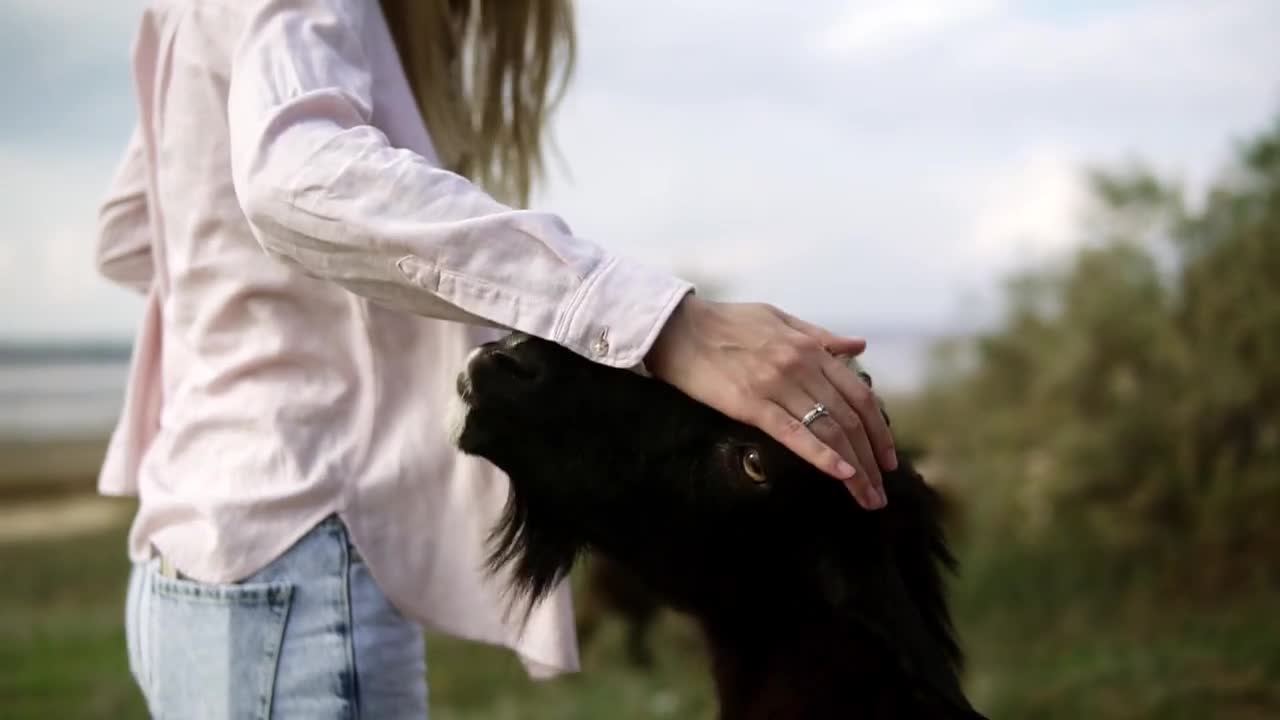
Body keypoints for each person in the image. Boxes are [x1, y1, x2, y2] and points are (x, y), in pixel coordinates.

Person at [94, 0, 898, 716]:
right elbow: (291, 180)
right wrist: (659, 323)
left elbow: (134, 235)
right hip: (299, 548)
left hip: (190, 566)